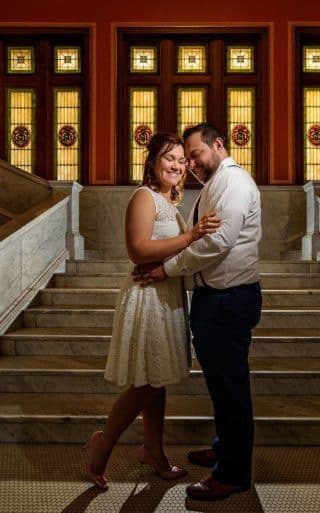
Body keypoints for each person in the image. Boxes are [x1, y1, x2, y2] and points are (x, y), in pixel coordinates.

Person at [85, 133, 221, 490]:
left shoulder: (168, 201)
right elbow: (139, 249)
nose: (177, 166)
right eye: (168, 158)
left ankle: (154, 452)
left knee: (156, 379)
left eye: (181, 160)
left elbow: (169, 253)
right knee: (145, 383)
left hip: (166, 293)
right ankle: (102, 447)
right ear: (152, 162)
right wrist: (191, 236)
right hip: (146, 297)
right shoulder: (144, 197)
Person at [134, 123, 262, 501]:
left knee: (231, 389)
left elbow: (217, 243)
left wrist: (166, 270)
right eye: (184, 157)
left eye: (194, 154)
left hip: (229, 299)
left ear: (218, 145)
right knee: (221, 388)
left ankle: (232, 474)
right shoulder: (216, 184)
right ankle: (225, 449)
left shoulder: (234, 183)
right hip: (214, 299)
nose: (190, 164)